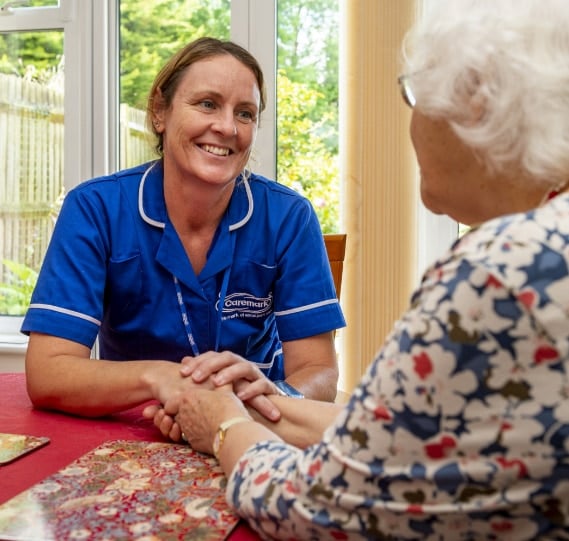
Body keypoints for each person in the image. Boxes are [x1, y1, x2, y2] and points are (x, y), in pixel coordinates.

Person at [164, 2, 569, 539]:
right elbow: (398, 435)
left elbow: (318, 506)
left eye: (414, 98)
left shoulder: (499, 272)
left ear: (473, 108)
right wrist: (259, 407)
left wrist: (223, 426)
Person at [21, 37, 345, 424]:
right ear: (161, 111)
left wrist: (272, 399)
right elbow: (47, 372)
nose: (227, 127)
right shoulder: (95, 208)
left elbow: (320, 372)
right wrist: (161, 378)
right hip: (134, 434)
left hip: (255, 429)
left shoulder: (290, 217)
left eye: (245, 113)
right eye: (207, 104)